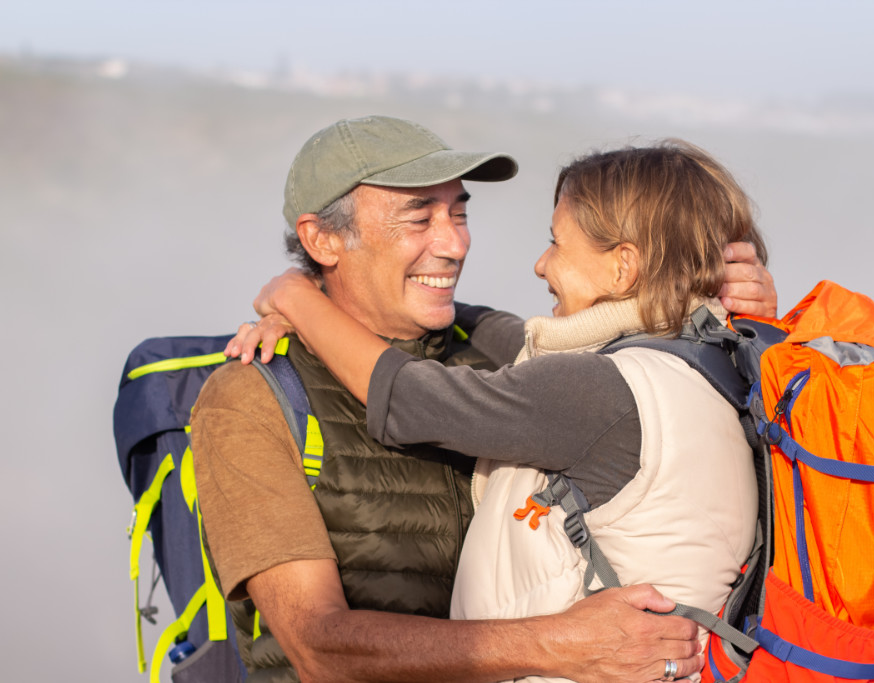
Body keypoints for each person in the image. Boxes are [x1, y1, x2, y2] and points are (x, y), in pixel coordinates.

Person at [194, 116, 777, 683]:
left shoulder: (507, 364)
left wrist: (723, 302)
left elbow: (558, 343)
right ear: (321, 239)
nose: (454, 244)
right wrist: (560, 644)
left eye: (459, 213)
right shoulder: (252, 398)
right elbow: (320, 649)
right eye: (419, 218)